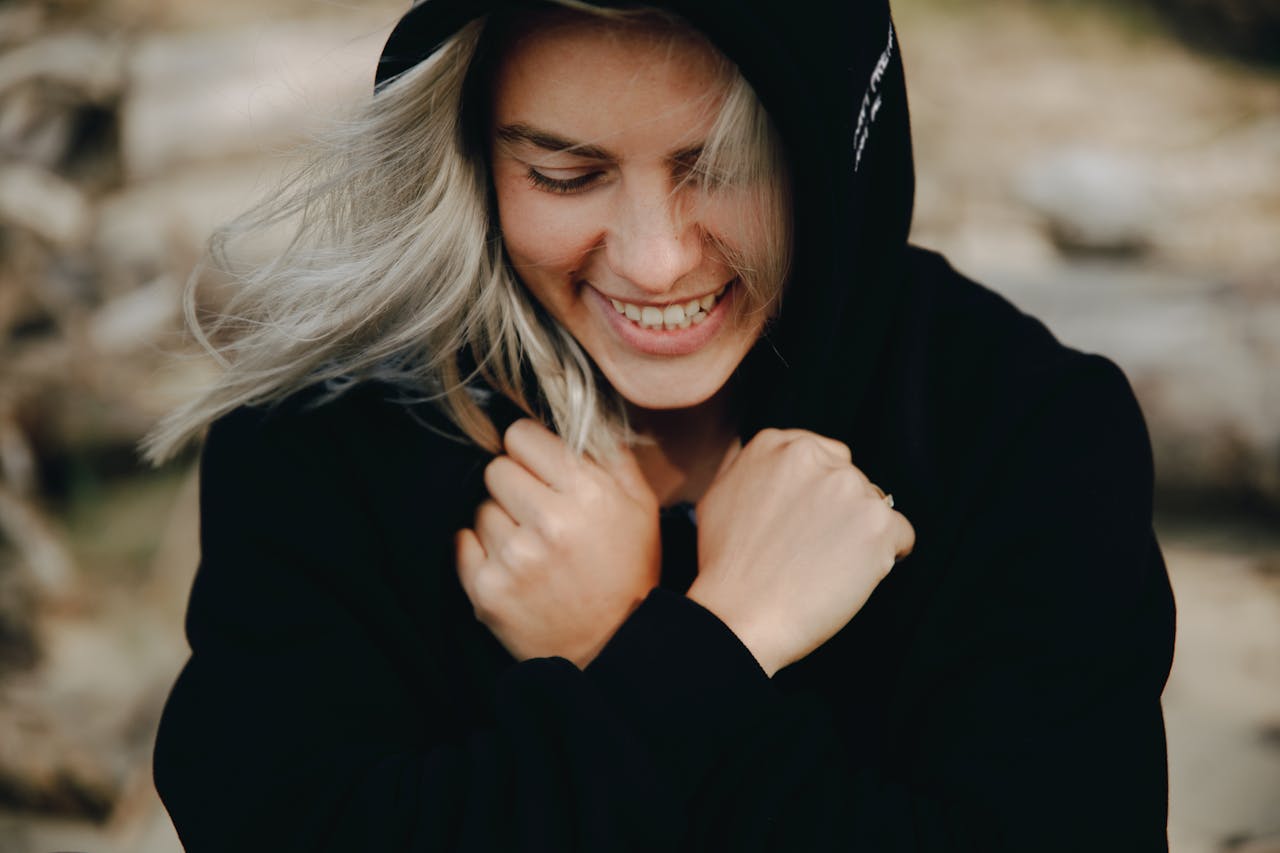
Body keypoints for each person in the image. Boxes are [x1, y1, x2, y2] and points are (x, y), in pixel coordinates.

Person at [147, 0, 1176, 850]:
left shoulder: (1028, 436)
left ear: (830, 150)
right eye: (563, 173)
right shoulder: (319, 444)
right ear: (468, 153)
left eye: (719, 167)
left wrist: (622, 641)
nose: (652, 261)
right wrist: (707, 649)